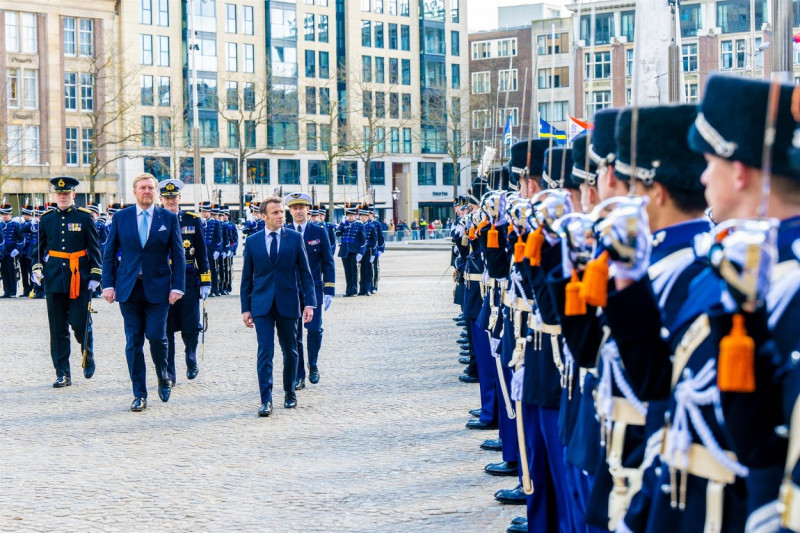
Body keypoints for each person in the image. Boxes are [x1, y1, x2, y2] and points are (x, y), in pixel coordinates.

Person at [102, 173, 185, 412]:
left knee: (157, 337)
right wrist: (108, 285)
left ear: (155, 192)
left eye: (150, 188)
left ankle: (162, 376)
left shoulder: (167, 218)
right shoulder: (121, 217)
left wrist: (178, 287)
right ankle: (139, 393)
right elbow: (109, 254)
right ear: (135, 192)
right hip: (128, 289)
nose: (147, 191)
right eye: (142, 188)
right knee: (133, 342)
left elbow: (178, 255)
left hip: (159, 289)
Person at [240, 196, 316, 417]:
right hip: (261, 304)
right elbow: (246, 278)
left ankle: (290, 392)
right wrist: (246, 308)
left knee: (290, 350)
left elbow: (305, 273)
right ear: (264, 216)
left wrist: (309, 303)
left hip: (288, 301)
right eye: (275, 213)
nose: (281, 215)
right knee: (265, 352)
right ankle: (266, 400)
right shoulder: (253, 241)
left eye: (282, 212)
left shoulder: (293, 238)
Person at [32, 177, 102, 387]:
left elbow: (95, 247)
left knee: (80, 323)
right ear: (55, 195)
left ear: (73, 195)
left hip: (79, 277)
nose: (62, 197)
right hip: (54, 278)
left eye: (66, 193)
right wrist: (37, 268)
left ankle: (87, 352)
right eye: (59, 194)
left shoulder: (85, 217)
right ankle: (63, 373)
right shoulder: (46, 219)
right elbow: (38, 249)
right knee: (57, 328)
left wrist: (96, 273)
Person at [159, 179, 211, 385]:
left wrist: (205, 280)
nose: (171, 201)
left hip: (189, 279)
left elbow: (202, 252)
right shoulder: (156, 219)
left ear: (180, 198)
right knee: (166, 328)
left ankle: (191, 356)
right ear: (161, 199)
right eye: (167, 198)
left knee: (190, 324)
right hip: (163, 279)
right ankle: (169, 372)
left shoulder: (192, 220)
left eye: (174, 198)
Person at [284, 192, 335, 388]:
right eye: (294, 208)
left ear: (308, 210)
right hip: (290, 292)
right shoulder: (285, 232)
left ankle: (313, 364)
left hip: (313, 291)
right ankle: (299, 375)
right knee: (294, 335)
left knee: (314, 331)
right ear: (290, 211)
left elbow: (328, 262)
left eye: (301, 208)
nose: (298, 211)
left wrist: (329, 289)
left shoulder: (319, 231)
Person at [337, 204, 366, 297]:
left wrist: (361, 252)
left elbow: (363, 241)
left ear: (355, 216)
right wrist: (341, 224)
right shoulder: (344, 224)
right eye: (348, 215)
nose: (350, 217)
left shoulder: (359, 225)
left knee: (354, 271)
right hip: (345, 250)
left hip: (354, 251)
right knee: (347, 271)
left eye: (351, 215)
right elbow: (338, 233)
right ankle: (348, 290)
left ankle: (354, 290)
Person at [199, 201, 223, 296]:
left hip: (211, 249)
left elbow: (219, 238)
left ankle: (213, 289)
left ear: (210, 212)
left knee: (212, 270)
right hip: (201, 248)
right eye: (202, 211)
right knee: (201, 269)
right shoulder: (198, 221)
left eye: (206, 211)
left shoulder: (215, 222)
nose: (204, 213)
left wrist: (218, 250)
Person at [0, 204, 23, 297]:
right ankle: (6, 291)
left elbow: (22, 239)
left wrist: (17, 249)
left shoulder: (15, 225)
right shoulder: (0, 225)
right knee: (4, 272)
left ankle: (13, 291)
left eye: (6, 214)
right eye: (3, 214)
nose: (4, 216)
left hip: (12, 252)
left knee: (12, 272)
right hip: (2, 252)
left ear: (10, 215)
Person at [358, 205, 377, 296]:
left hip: (368, 251)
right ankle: (362, 289)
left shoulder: (371, 226)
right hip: (360, 251)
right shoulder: (358, 225)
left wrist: (374, 253)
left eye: (363, 216)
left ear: (366, 216)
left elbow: (374, 241)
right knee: (361, 271)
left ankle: (368, 289)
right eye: (360, 215)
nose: (362, 217)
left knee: (368, 270)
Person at [18, 205, 35, 298]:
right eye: (24, 214)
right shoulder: (21, 224)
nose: (25, 216)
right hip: (22, 251)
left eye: (27, 214)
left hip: (30, 251)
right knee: (23, 272)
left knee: (31, 271)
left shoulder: (32, 224)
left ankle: (32, 288)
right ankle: (26, 289)